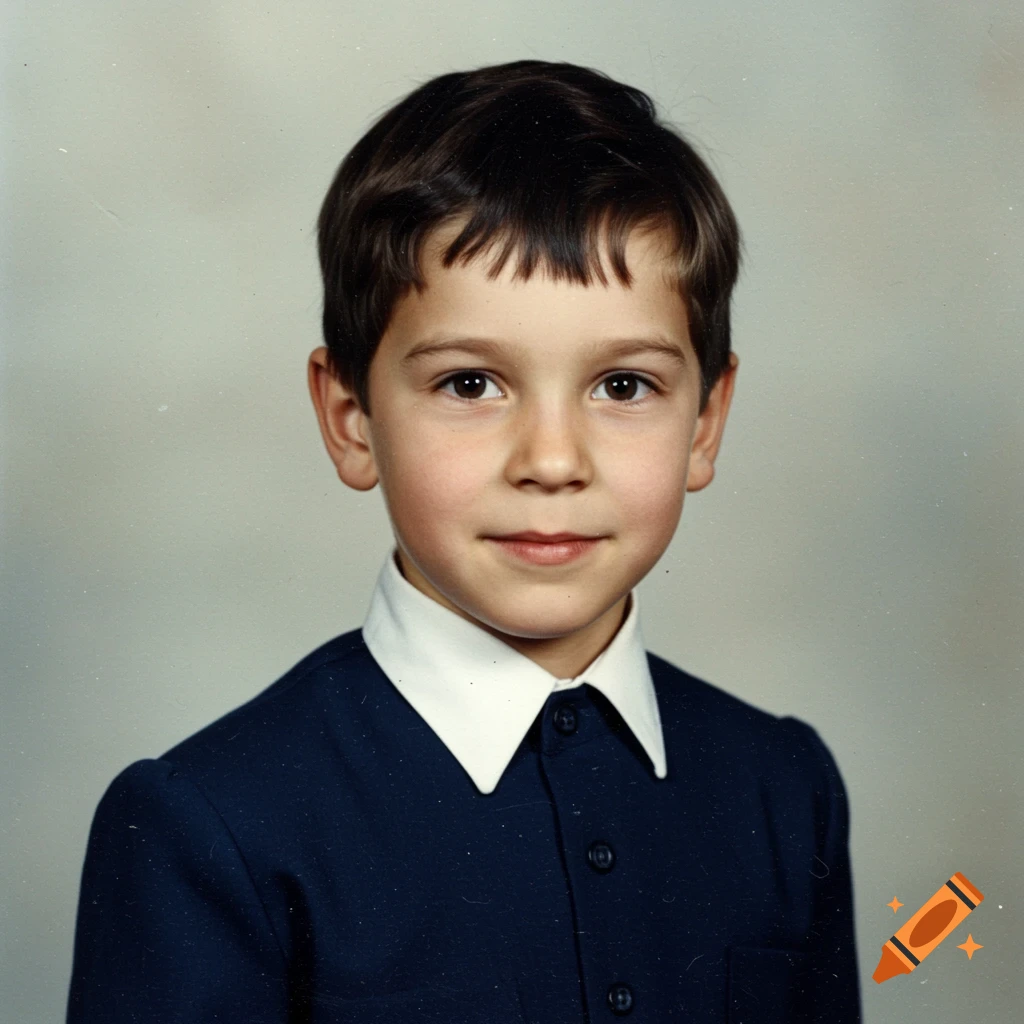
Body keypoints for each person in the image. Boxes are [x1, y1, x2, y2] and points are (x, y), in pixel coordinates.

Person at [66, 59, 861, 1023]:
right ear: (353, 417)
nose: (553, 460)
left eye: (623, 386)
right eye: (470, 384)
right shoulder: (209, 826)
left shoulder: (781, 788)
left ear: (705, 422)